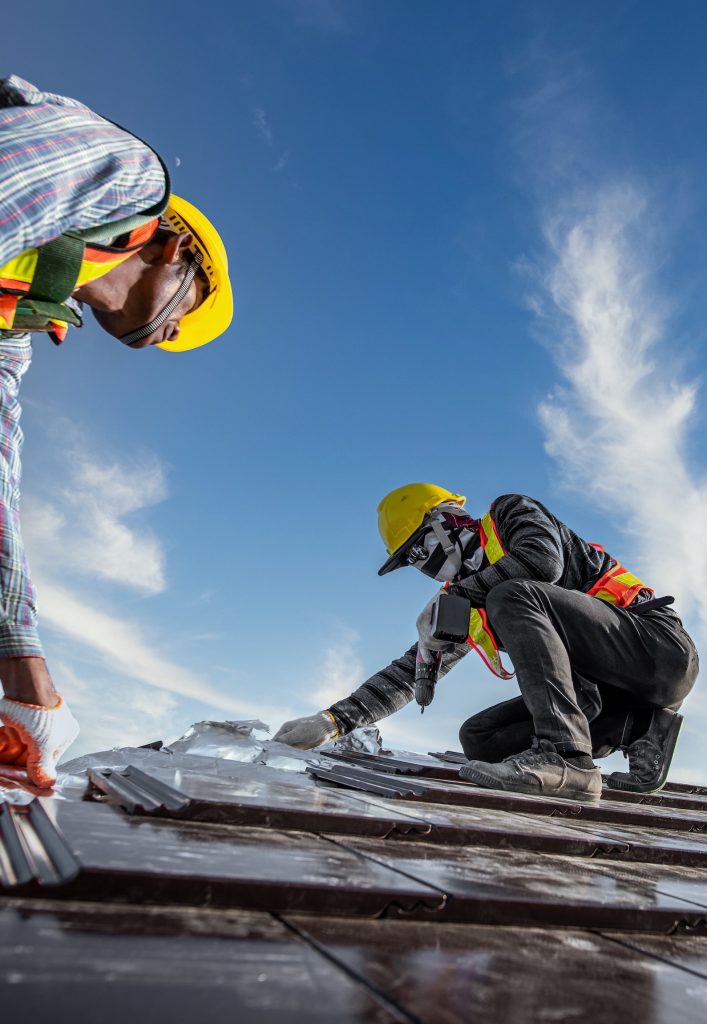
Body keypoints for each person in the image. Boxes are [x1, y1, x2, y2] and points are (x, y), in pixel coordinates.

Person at [0, 75, 234, 788]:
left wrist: (27, 678)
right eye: (186, 314)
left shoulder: (19, 322)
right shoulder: (128, 176)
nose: (171, 337)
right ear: (174, 252)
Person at [274, 484, 699, 802]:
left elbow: (542, 563)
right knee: (480, 738)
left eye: (419, 551)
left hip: (659, 652)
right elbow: (413, 668)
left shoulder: (511, 513)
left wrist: (457, 597)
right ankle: (636, 727)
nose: (424, 567)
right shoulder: (468, 595)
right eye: (412, 562)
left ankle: (568, 759)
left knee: (512, 594)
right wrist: (333, 720)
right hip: (613, 694)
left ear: (445, 523)